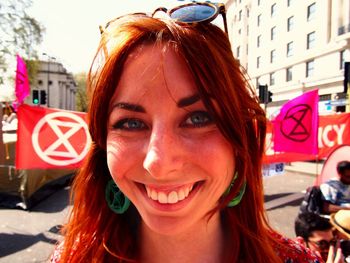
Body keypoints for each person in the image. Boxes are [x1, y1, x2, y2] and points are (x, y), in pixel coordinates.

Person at [52, 3, 322, 263]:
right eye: (131, 123)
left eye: (198, 118)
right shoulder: (70, 258)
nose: (158, 163)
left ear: (240, 140)